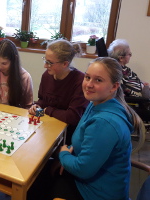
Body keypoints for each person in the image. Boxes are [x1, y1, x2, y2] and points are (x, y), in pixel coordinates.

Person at [47, 57, 143, 200]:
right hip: (87, 180)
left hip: (94, 193)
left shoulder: (104, 123)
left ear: (114, 87)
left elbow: (82, 169)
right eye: (87, 77)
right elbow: (85, 141)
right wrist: (68, 156)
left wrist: (64, 154)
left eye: (98, 80)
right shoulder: (96, 102)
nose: (89, 84)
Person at [28, 39, 89, 145]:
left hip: (69, 137)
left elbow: (73, 117)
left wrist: (47, 110)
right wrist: (36, 105)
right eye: (45, 60)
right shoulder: (47, 75)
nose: (45, 66)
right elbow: (43, 100)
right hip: (47, 128)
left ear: (65, 64)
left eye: (49, 63)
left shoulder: (79, 81)